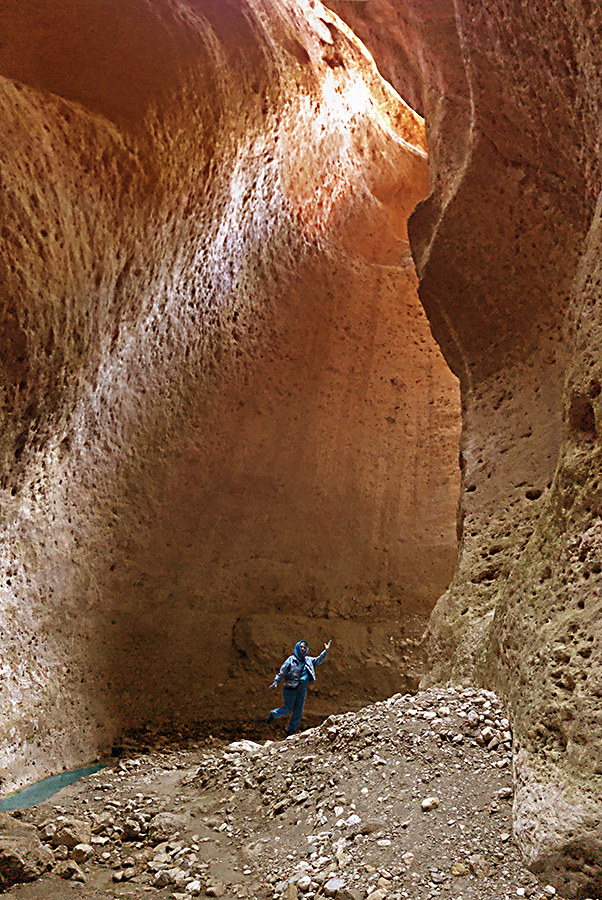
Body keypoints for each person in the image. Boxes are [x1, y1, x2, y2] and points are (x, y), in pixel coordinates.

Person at [266, 638, 332, 735]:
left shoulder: (309, 660)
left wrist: (325, 651)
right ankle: (273, 714)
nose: (302, 649)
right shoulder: (291, 660)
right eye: (301, 647)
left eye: (304, 647)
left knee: (298, 711)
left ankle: (290, 731)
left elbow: (318, 660)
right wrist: (276, 682)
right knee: (288, 708)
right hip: (290, 688)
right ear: (297, 648)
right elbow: (282, 672)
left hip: (302, 689)